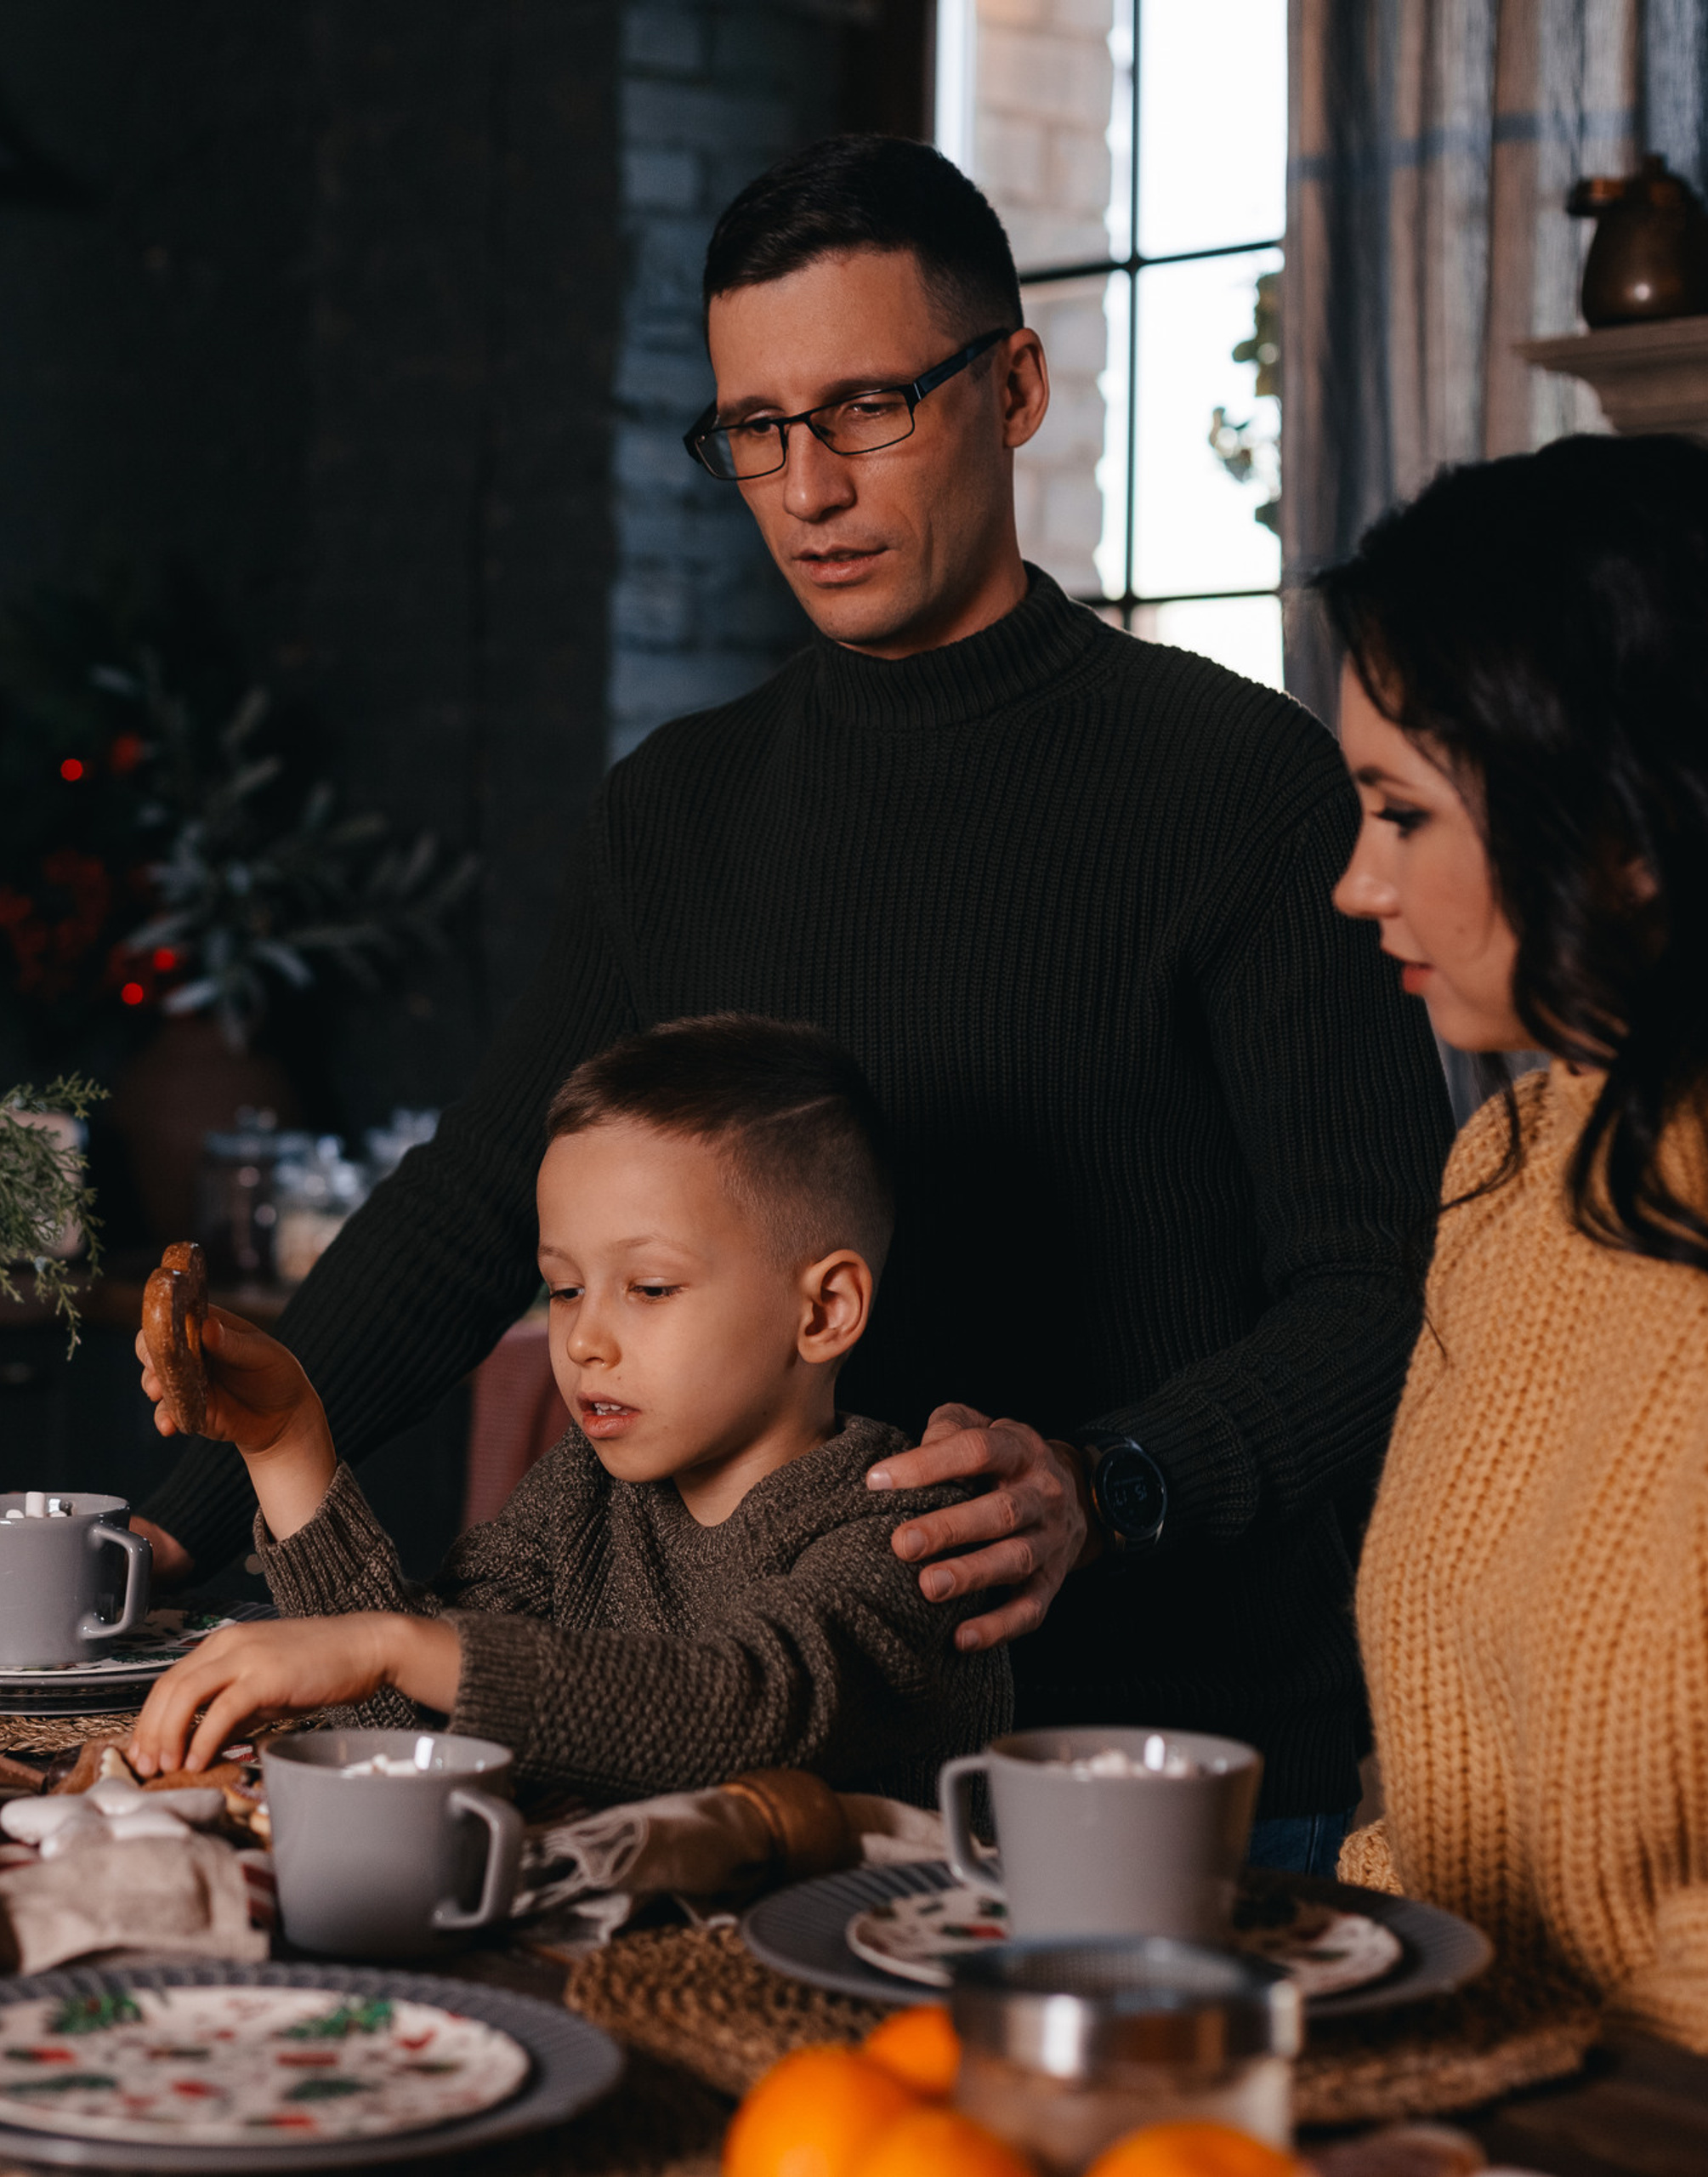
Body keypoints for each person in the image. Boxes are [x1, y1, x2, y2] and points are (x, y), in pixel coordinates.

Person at [135, 135, 1451, 1871]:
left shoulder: (1240, 789)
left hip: (1160, 1757)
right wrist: (160, 1527)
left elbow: (1387, 1287)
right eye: (752, 430)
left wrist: (1113, 1479)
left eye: (865, 410)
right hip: (729, 1787)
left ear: (1014, 385)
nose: (805, 485)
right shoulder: (675, 809)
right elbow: (473, 1203)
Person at [130, 1015, 1012, 1801]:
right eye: (562, 1289)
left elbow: (744, 1708)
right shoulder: (580, 1497)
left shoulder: (911, 1529)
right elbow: (408, 1723)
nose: (585, 1339)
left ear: (824, 1310)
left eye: (651, 1287)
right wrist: (289, 1442)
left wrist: (391, 1644)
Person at [1327, 432, 1708, 2056]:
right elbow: (1434, 1814)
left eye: (1400, 813)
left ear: (1627, 832)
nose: (1358, 884)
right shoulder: (1505, 1167)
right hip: (1447, 2075)